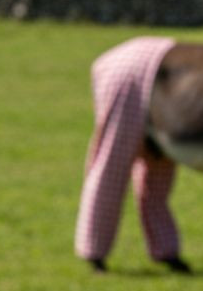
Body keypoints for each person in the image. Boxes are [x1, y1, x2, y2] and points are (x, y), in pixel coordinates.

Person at [75, 37, 188, 273]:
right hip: (130, 80)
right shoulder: (128, 70)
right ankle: (94, 249)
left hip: (157, 80)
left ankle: (165, 249)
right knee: (112, 166)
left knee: (158, 174)